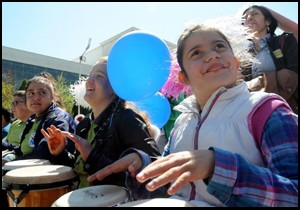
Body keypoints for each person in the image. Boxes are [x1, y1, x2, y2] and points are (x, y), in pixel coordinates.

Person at [88, 24, 298, 207]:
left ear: (235, 63)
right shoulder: (182, 121)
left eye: (219, 46)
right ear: (184, 77)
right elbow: (170, 187)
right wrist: (142, 164)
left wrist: (218, 167)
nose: (212, 55)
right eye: (196, 53)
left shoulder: (267, 110)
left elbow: (293, 196)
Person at [41, 60, 164, 200]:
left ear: (115, 87)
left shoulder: (127, 119)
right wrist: (59, 153)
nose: (89, 81)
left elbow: (155, 172)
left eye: (99, 76)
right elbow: (79, 170)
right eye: (89, 76)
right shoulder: (84, 124)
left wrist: (91, 157)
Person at [241, 5, 298, 114]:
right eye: (245, 17)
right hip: (255, 112)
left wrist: (251, 90)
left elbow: (293, 73)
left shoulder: (285, 41)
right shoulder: (243, 56)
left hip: (285, 109)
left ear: (267, 21)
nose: (249, 18)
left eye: (254, 14)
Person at [9, 76, 76, 167]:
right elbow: (23, 149)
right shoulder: (33, 119)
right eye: (31, 93)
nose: (36, 97)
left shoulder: (58, 119)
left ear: (52, 97)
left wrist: (12, 163)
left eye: (42, 92)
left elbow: (43, 153)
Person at [2, 90, 33, 161]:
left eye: (15, 103)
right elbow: (6, 142)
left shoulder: (36, 125)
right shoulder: (15, 124)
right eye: (12, 103)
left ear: (27, 104)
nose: (12, 107)